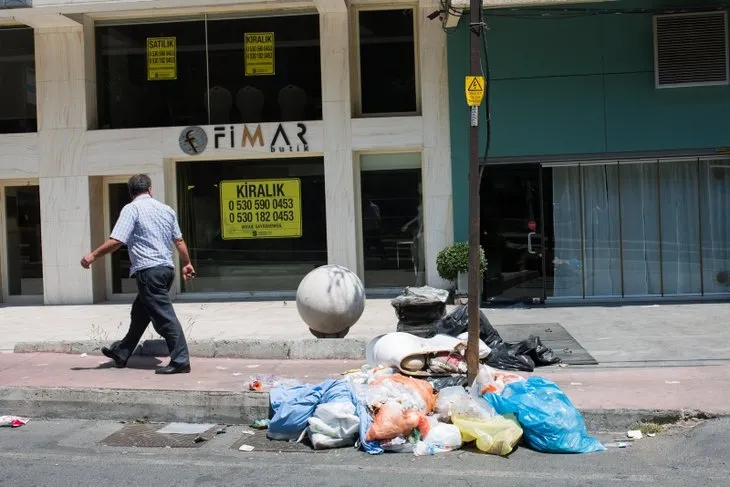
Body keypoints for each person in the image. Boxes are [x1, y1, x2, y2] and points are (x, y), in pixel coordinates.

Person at [80, 174, 195, 375]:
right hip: (166, 270)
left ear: (131, 192)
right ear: (150, 189)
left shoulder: (131, 209)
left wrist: (93, 256)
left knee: (164, 317)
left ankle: (181, 360)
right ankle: (122, 353)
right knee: (140, 314)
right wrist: (187, 263)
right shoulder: (166, 209)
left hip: (149, 271)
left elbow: (117, 240)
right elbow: (179, 241)